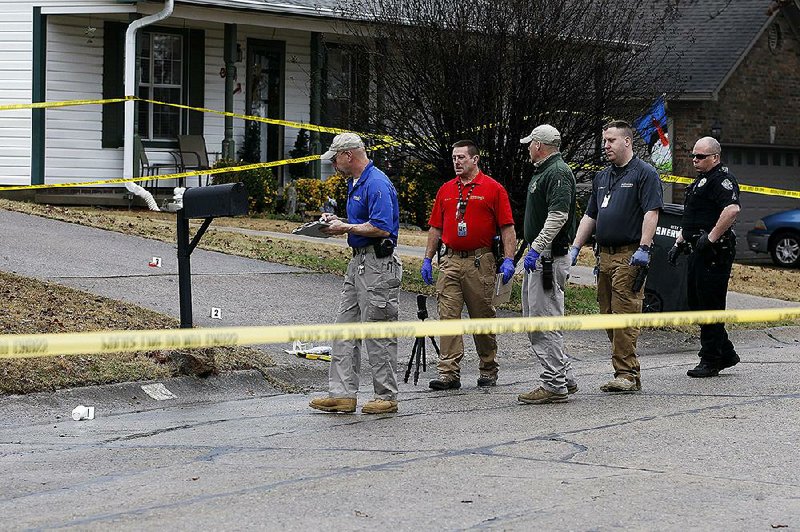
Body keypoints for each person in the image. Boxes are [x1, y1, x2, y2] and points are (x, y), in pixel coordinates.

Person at [308, 133, 402, 414]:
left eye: (335, 158)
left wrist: (345, 228)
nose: (334, 164)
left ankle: (386, 396)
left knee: (377, 332)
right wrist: (339, 223)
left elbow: (382, 227)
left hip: (378, 265)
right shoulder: (356, 183)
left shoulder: (377, 183)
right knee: (344, 327)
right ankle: (343, 394)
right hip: (358, 263)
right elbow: (362, 223)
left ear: (348, 155)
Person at [569, 120, 663, 393]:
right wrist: (576, 246)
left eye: (610, 140)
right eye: (604, 140)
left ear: (627, 142)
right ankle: (626, 369)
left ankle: (627, 374)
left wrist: (644, 248)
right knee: (608, 315)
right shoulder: (602, 177)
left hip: (629, 256)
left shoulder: (644, 174)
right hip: (604, 258)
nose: (605, 146)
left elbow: (651, 212)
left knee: (624, 314)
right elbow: (591, 215)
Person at [421, 139, 516, 390]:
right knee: (448, 315)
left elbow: (507, 227)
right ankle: (448, 372)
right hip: (450, 259)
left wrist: (508, 259)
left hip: (479, 260)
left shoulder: (493, 189)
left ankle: (488, 368)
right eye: (454, 158)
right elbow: (435, 227)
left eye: (462, 157)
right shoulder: (446, 190)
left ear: (475, 160)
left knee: (482, 316)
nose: (457, 162)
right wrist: (428, 258)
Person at [668, 136, 740, 378]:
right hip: (698, 249)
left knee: (710, 304)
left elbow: (732, 210)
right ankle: (726, 352)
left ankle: (710, 359)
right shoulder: (702, 180)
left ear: (715, 157)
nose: (695, 160)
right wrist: (679, 242)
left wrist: (710, 238)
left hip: (714, 252)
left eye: (701, 156)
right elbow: (694, 216)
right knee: (697, 303)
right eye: (694, 156)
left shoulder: (722, 180)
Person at [516, 125, 579, 404]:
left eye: (530, 143)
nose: (528, 147)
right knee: (536, 318)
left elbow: (558, 216)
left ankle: (554, 383)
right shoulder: (545, 171)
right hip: (541, 257)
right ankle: (563, 376)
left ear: (540, 145)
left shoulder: (557, 173)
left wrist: (538, 247)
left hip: (548, 258)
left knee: (544, 321)